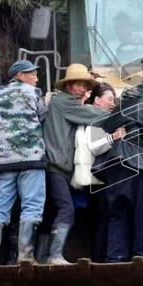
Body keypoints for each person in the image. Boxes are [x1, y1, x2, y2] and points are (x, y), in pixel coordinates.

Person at [0, 60, 48, 263]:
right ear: (19, 75)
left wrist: (0, 146)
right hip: (31, 158)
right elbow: (43, 117)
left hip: (1, 162)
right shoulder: (33, 93)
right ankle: (25, 255)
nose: (36, 78)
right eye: (32, 74)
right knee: (32, 205)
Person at [95, 81, 143, 262]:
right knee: (140, 210)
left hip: (111, 163)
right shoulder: (140, 106)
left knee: (117, 210)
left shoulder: (117, 109)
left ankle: (115, 256)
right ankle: (141, 253)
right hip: (132, 161)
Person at [41, 64, 111, 264]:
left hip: (57, 166)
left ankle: (41, 256)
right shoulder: (65, 103)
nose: (82, 89)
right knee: (67, 209)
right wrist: (117, 115)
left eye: (85, 86)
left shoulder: (62, 102)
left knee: (51, 211)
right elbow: (93, 115)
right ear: (68, 85)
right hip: (56, 165)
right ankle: (54, 255)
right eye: (79, 85)